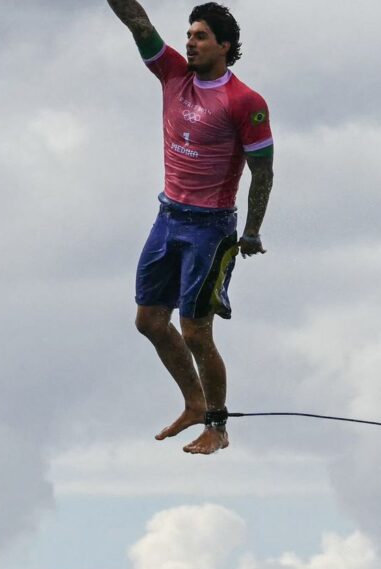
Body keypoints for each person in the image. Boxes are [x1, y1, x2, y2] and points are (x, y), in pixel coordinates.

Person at [108, 0, 275, 455]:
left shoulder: (245, 101)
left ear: (224, 45)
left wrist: (253, 231)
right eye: (188, 35)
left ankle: (217, 427)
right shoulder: (174, 75)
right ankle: (194, 402)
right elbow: (137, 21)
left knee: (196, 331)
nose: (190, 43)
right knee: (149, 321)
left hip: (211, 228)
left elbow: (263, 172)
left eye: (200, 36)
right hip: (168, 219)